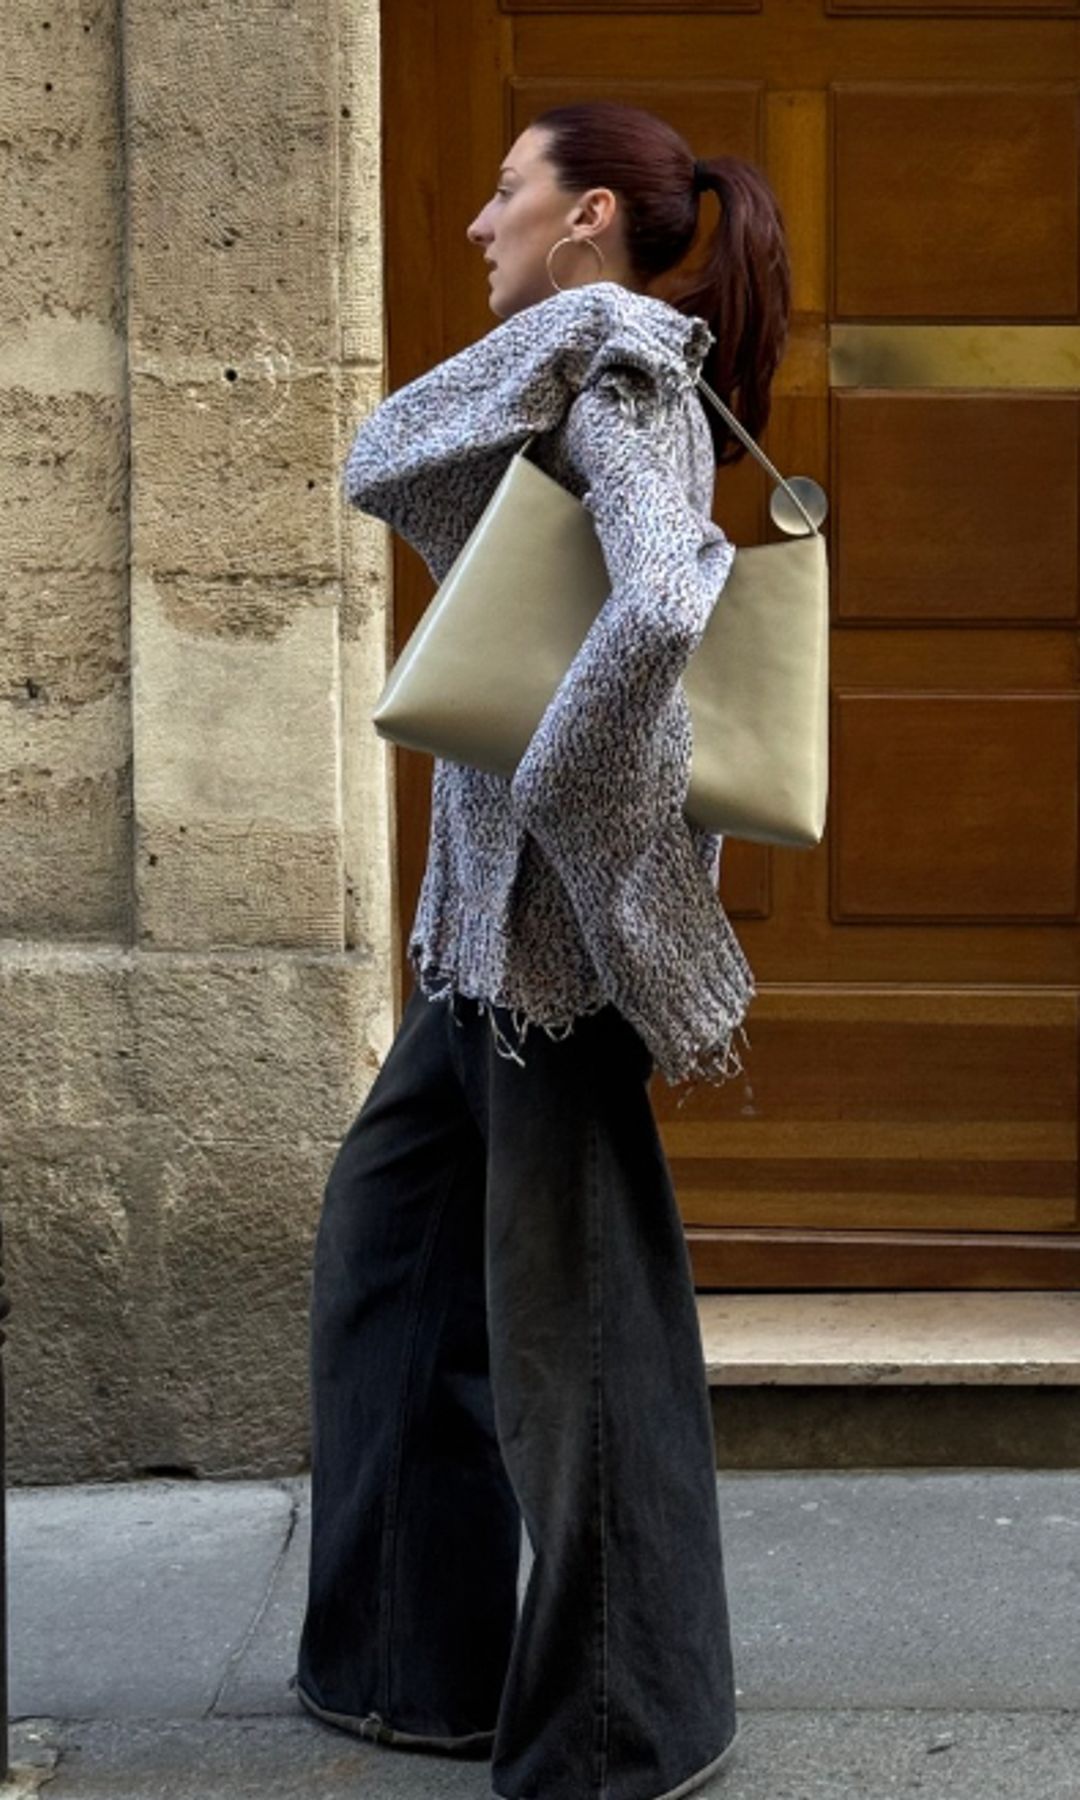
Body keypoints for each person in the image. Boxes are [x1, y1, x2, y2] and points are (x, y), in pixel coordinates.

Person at [294, 101, 791, 1800]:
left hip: (552, 959)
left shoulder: (625, 371)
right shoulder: (584, 364)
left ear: (587, 217)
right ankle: (403, 1668)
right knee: (393, 1264)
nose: (476, 223)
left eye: (504, 191)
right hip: (478, 956)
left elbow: (665, 594)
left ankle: (622, 1730)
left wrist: (572, 798)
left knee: (579, 1354)